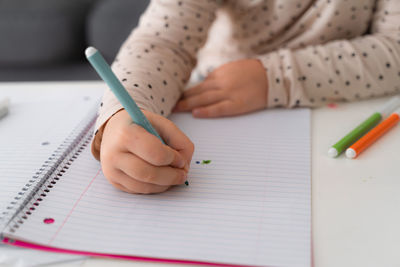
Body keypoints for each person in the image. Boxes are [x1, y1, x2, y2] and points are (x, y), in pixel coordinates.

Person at [91, 0, 400, 194]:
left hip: (343, 106)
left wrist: (275, 76)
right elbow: (161, 41)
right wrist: (123, 112)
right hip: (210, 99)